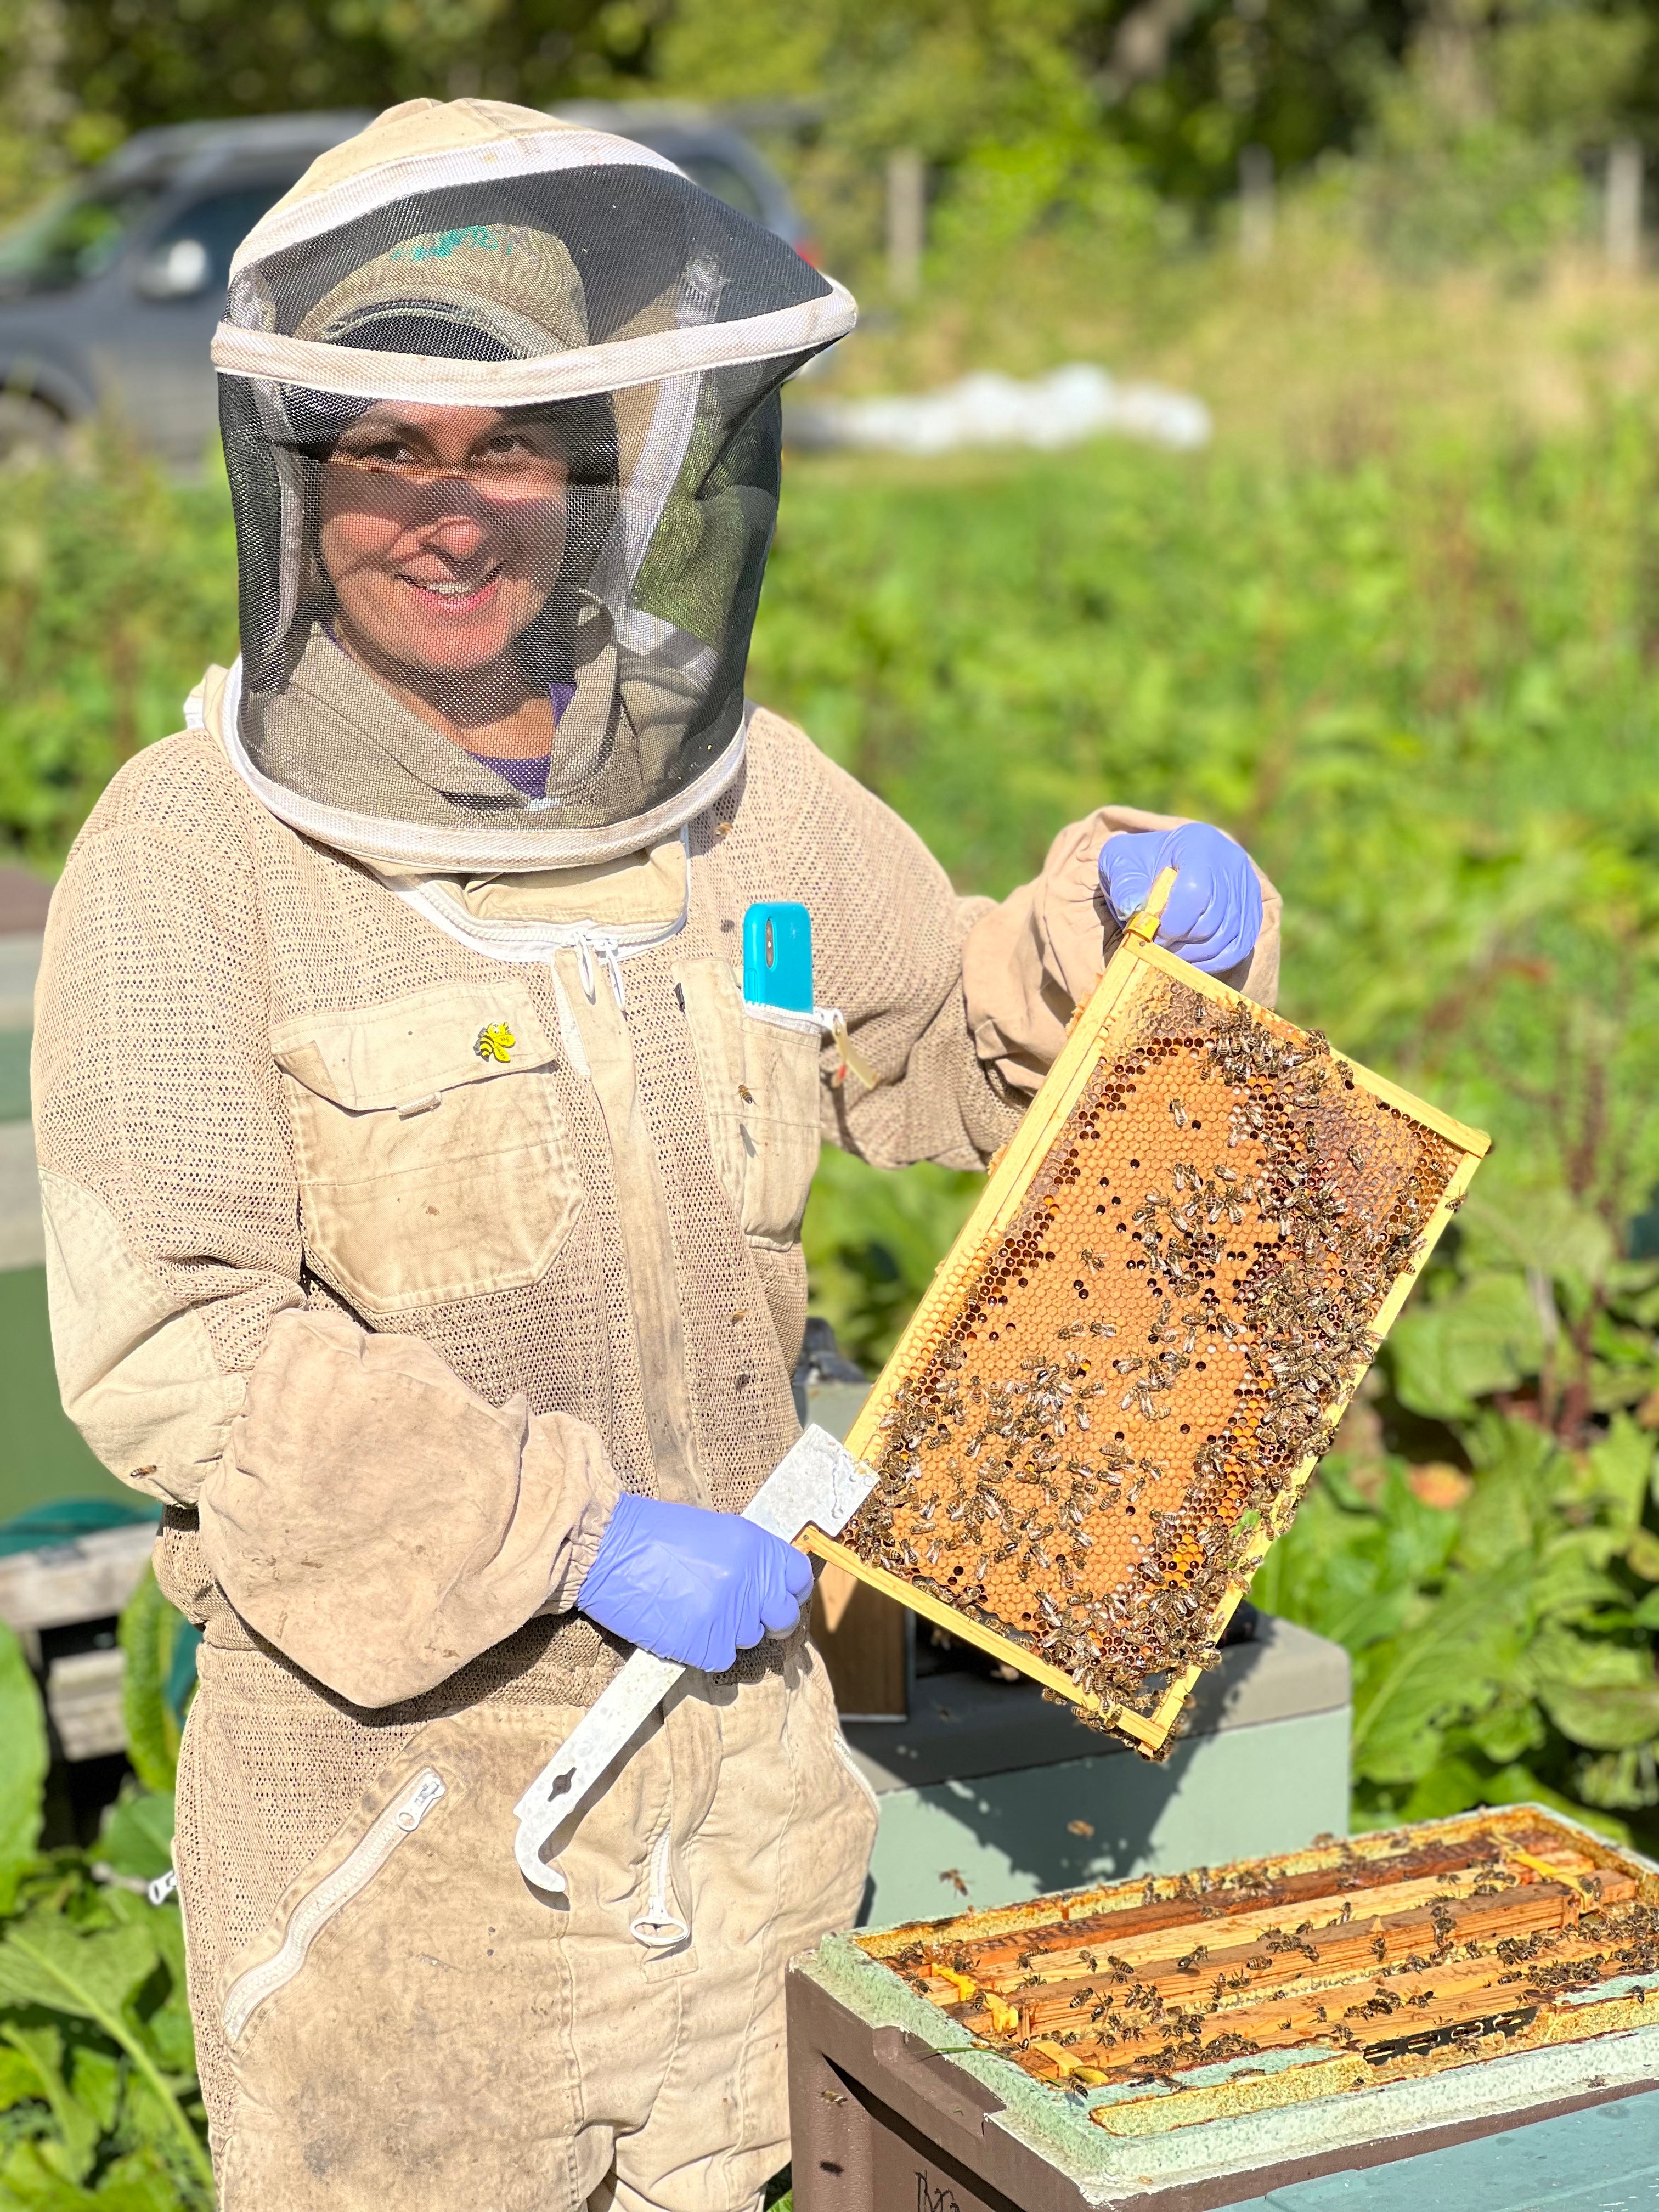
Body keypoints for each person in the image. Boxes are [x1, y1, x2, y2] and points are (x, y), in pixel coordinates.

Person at [31, 99, 1281, 2212]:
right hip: (406, 1862)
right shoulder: (188, 860)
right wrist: (571, 1535)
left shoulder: (742, 801)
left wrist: (1115, 942)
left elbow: (944, 1062)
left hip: (754, 1825)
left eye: (511, 446)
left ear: (611, 471)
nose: (447, 509)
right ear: (297, 471)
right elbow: (179, 1346)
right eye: (387, 446)